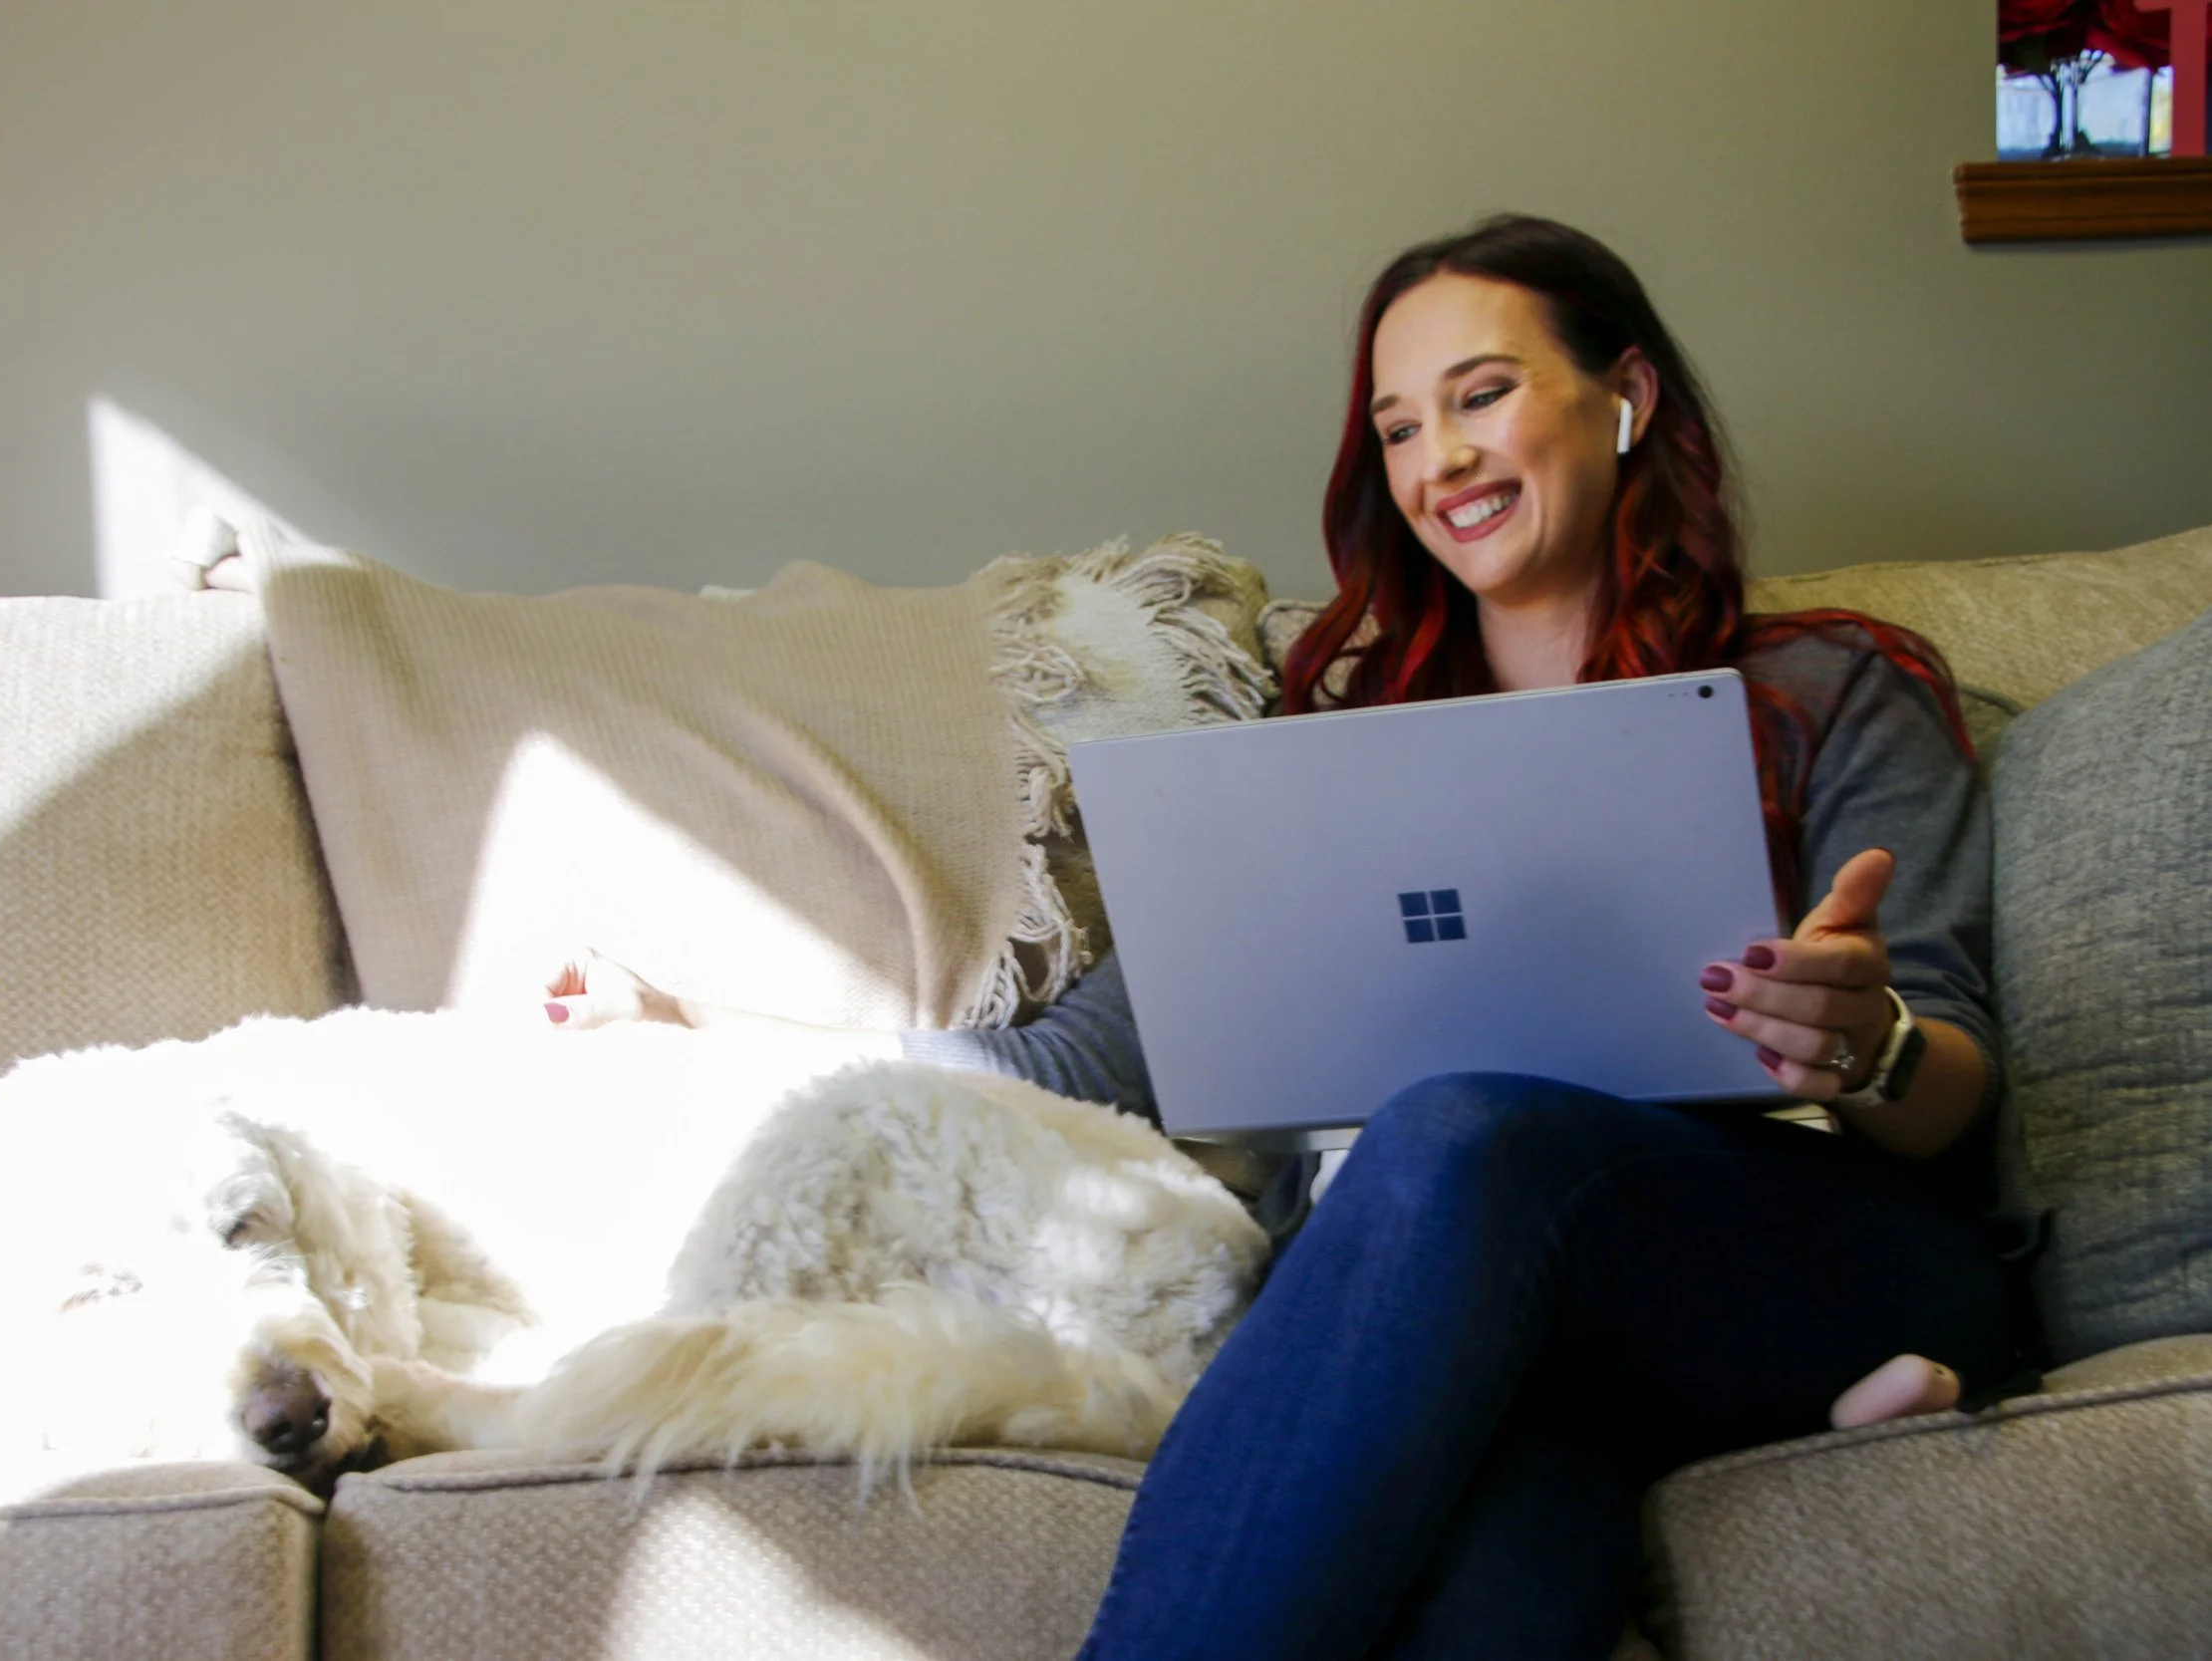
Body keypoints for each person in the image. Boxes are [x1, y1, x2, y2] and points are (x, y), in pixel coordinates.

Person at [544, 213, 2029, 1657]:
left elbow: (1955, 1081)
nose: (1437, 459)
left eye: (1483, 395)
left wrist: (1871, 1040)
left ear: (1627, 398)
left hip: (1812, 1236)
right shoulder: (1338, 760)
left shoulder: (1832, 684)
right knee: (1495, 1553)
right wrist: (706, 1029)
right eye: (1396, 427)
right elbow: (1076, 1057)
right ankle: (1776, 1413)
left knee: (1453, 1132)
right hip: (1511, 1321)